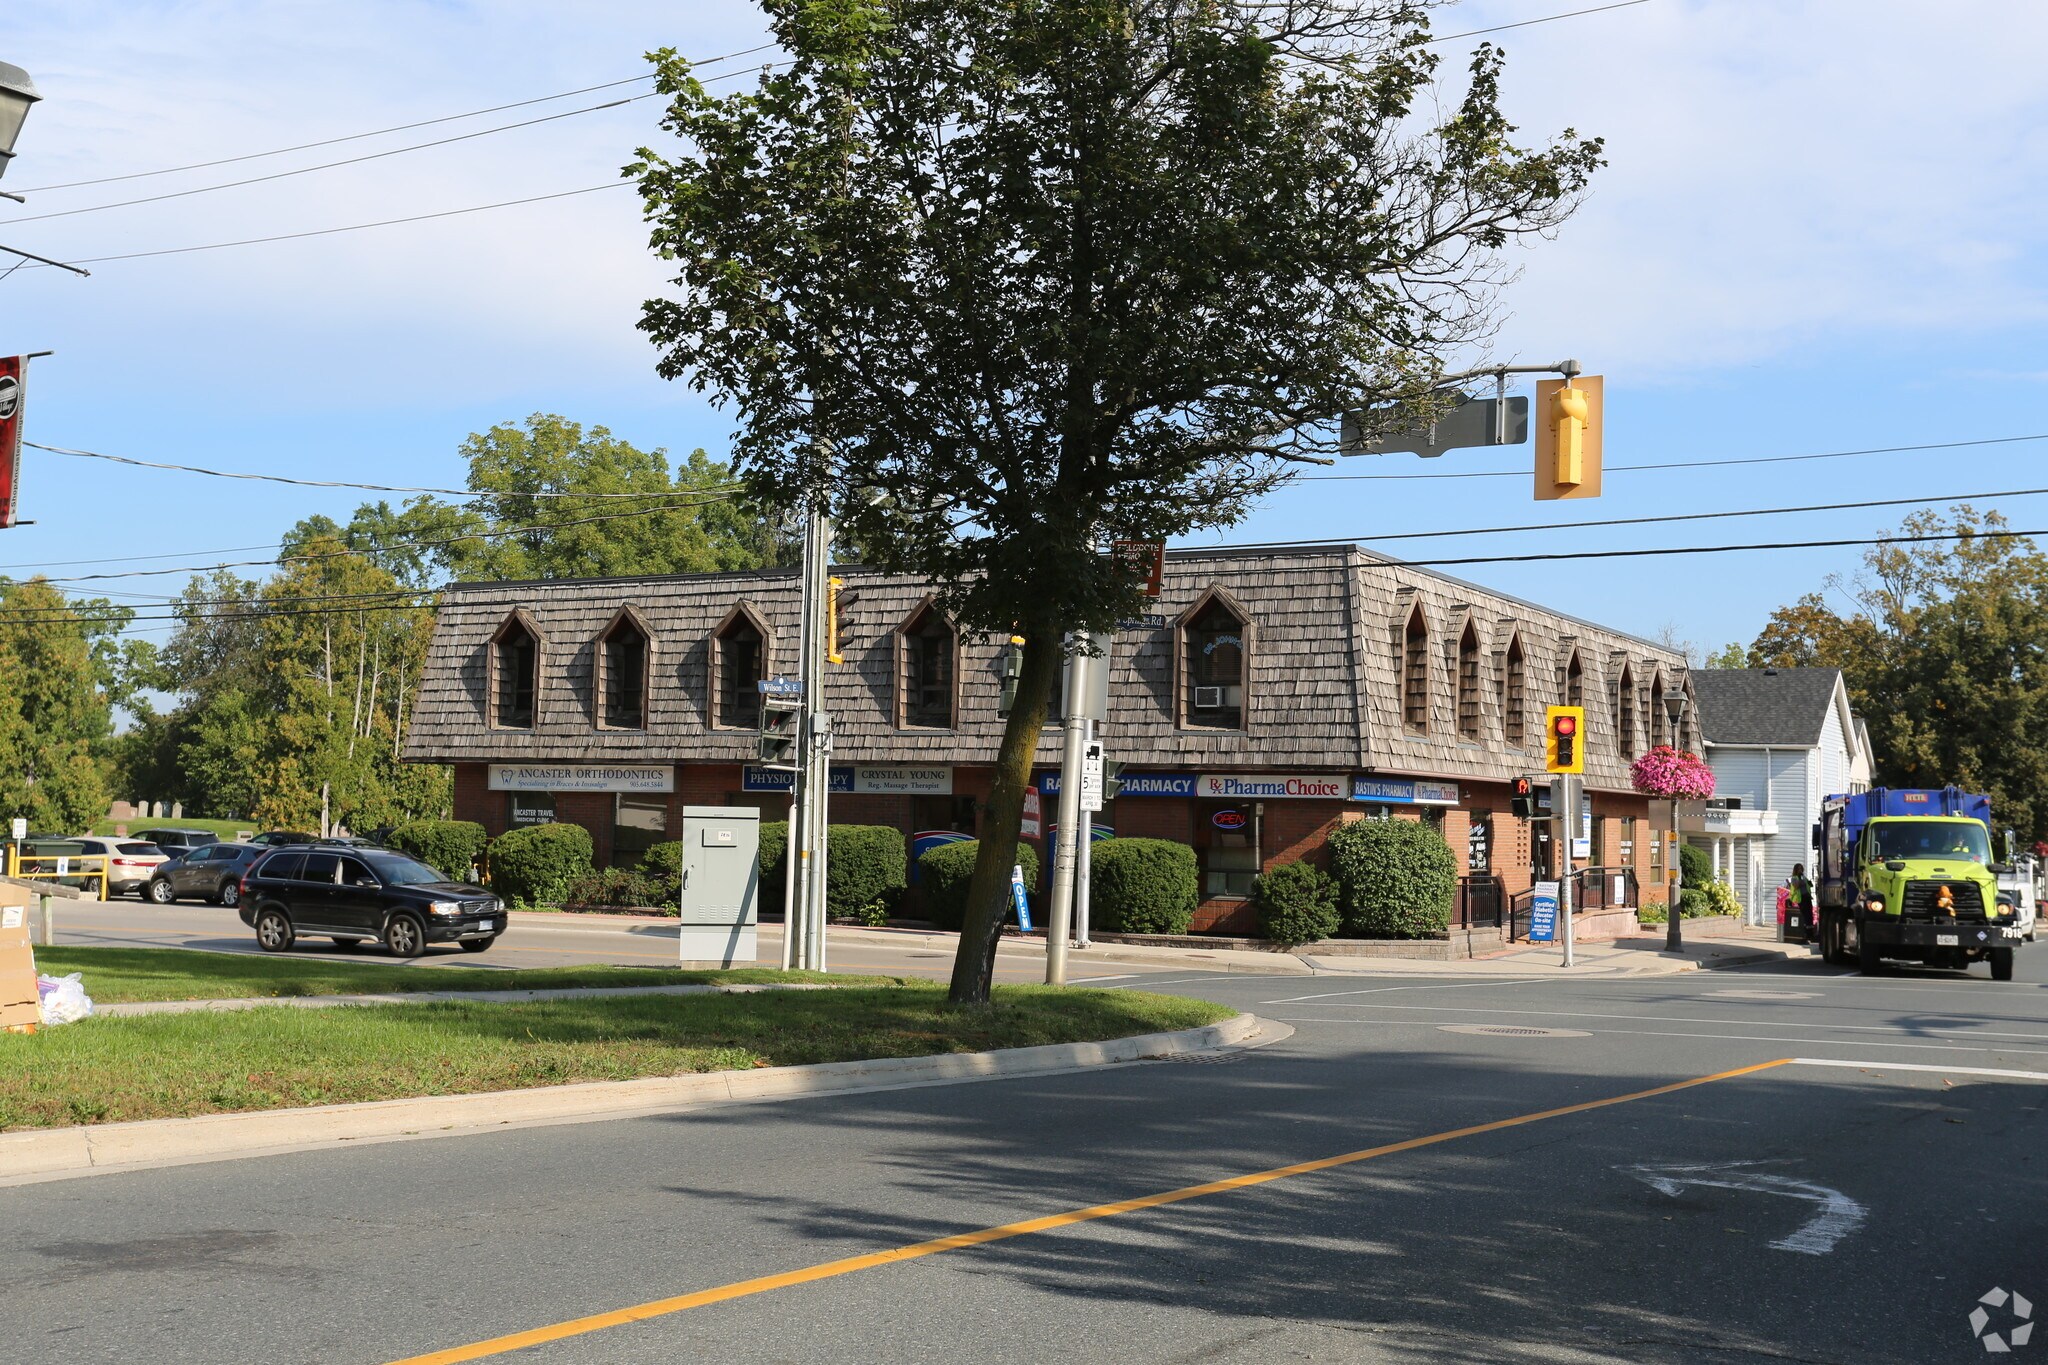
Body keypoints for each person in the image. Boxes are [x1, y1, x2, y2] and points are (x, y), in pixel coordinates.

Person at [1784, 863, 1814, 947]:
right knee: (1805, 916)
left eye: (1801, 868)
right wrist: (1801, 878)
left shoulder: (1803, 877)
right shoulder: (1794, 878)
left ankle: (1810, 934)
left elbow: (1809, 885)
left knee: (1810, 916)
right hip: (1801, 899)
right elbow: (1796, 886)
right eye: (1799, 869)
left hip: (1807, 897)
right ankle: (1804, 935)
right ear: (1796, 870)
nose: (1800, 870)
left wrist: (1808, 882)